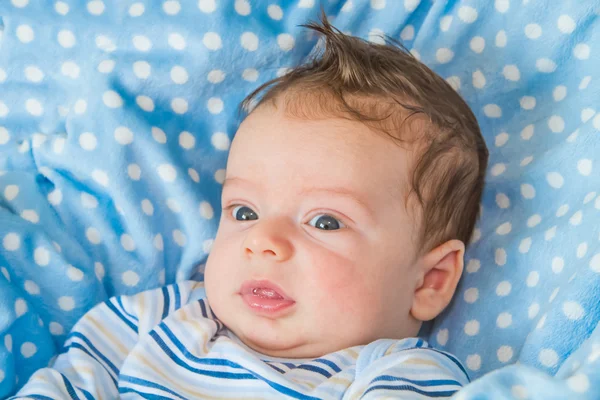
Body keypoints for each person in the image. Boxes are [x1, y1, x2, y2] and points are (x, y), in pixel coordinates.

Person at [12, 13, 488, 400]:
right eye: (244, 212)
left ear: (430, 281)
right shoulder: (155, 318)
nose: (263, 241)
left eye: (324, 221)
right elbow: (67, 384)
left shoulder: (396, 374)